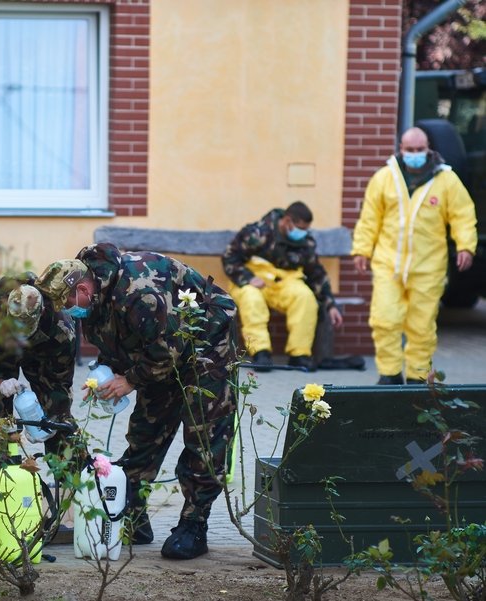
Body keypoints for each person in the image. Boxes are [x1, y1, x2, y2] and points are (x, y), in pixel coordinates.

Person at [36, 244, 237, 560]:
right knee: (145, 433)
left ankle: (193, 525)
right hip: (160, 354)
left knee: (205, 437)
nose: (68, 311)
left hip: (205, 347)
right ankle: (133, 517)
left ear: (84, 287)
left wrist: (129, 381)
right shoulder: (96, 299)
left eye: (68, 302)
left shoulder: (137, 292)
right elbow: (121, 341)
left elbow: (167, 348)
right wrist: (106, 376)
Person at [351, 126, 477, 385]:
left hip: (428, 266)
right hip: (389, 263)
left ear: (429, 148)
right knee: (384, 319)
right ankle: (389, 374)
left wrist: (466, 246)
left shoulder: (446, 180)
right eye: (410, 150)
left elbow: (463, 214)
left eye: (420, 150)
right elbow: (369, 218)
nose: (415, 154)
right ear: (401, 149)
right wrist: (362, 249)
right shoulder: (385, 178)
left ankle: (418, 376)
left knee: (421, 326)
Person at [0, 280, 78, 515]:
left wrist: (51, 417)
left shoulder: (61, 329)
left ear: (41, 312)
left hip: (43, 352)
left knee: (60, 424)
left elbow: (60, 384)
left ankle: (70, 504)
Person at [222, 201, 343, 372]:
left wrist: (330, 304)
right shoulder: (257, 233)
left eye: (305, 229)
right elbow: (230, 257)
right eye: (300, 228)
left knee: (305, 297)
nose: (302, 233)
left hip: (284, 283)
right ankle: (260, 353)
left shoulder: (305, 243)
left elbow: (316, 273)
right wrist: (248, 278)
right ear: (287, 221)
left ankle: (299, 355)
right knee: (251, 298)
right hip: (254, 281)